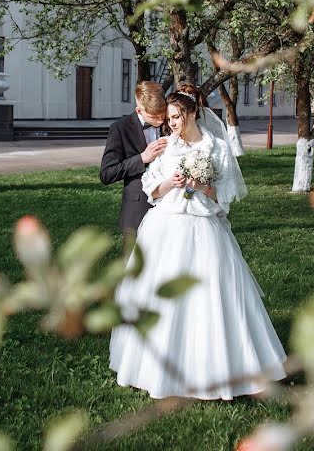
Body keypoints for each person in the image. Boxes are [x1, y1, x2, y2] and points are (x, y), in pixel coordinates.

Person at [109, 84, 287, 400]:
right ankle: (156, 369)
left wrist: (202, 187)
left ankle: (219, 368)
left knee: (212, 297)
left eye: (177, 117)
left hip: (205, 227)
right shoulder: (167, 146)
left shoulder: (217, 148)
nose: (172, 123)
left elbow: (227, 197)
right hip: (167, 226)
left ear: (192, 113)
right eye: (169, 119)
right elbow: (151, 190)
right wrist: (169, 183)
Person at [100, 81, 168, 236]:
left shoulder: (169, 122)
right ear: (139, 110)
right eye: (154, 116)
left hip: (170, 207)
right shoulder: (120, 128)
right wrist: (142, 158)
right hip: (137, 209)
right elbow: (106, 174)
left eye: (162, 114)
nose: (160, 120)